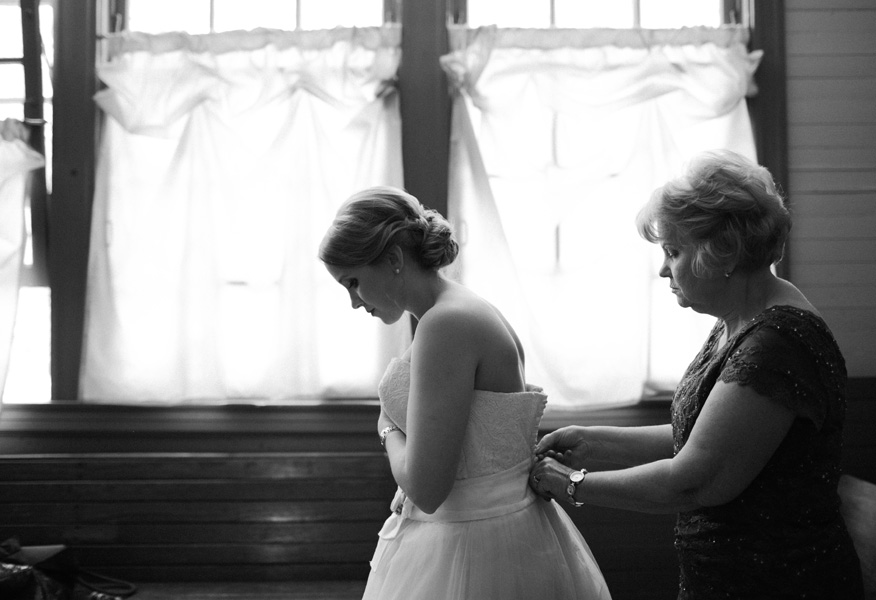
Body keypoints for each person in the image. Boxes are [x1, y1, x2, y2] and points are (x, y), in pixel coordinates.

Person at [530, 150, 864, 600]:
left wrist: (571, 483)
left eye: (673, 251)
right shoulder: (738, 320)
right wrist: (590, 440)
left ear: (720, 251)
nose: (664, 268)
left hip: (781, 582)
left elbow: (696, 478)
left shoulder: (779, 342)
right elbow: (703, 436)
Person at [319, 186, 611, 600]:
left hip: (473, 544)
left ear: (393, 259)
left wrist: (387, 430)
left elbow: (427, 489)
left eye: (353, 282)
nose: (353, 302)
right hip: (504, 529)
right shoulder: (457, 310)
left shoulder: (445, 324)